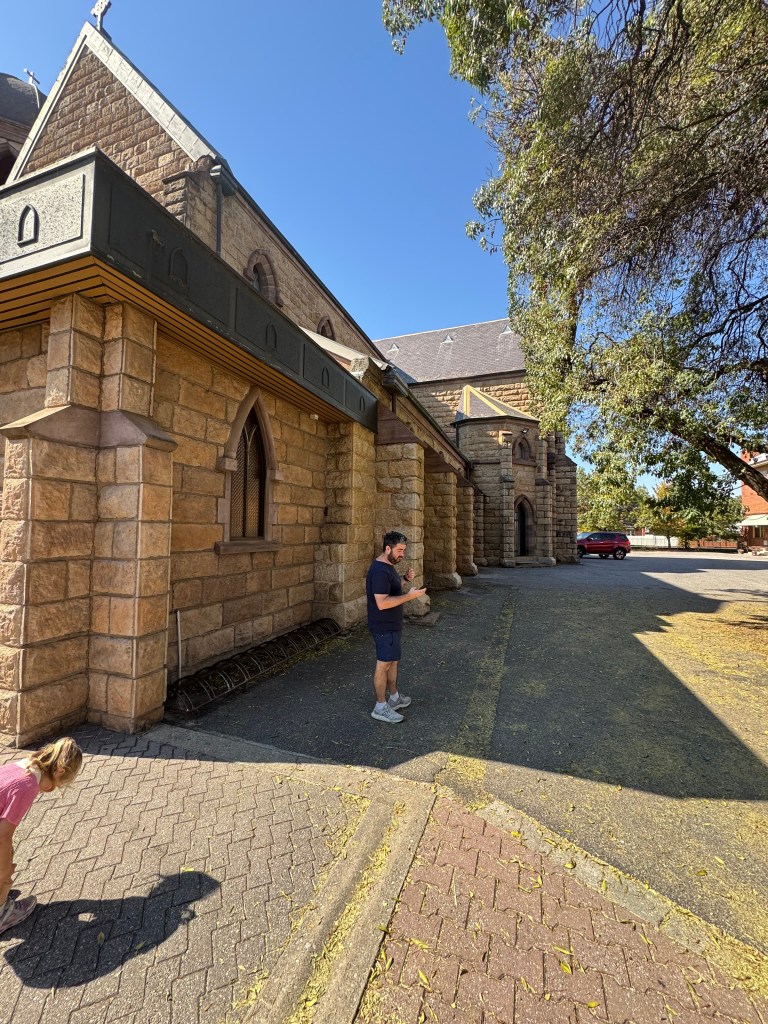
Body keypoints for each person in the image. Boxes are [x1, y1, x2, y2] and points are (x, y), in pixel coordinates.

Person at [0, 736, 83, 936]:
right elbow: (2, 837)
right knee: (4, 868)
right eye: (63, 782)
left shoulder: (20, 766)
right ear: (60, 771)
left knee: (7, 854)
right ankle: (2, 913)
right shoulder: (27, 787)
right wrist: (5, 873)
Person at [366, 531, 427, 724]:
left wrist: (405, 580)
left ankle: (394, 698)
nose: (402, 554)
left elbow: (390, 587)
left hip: (393, 625)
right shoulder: (379, 571)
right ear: (387, 548)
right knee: (383, 664)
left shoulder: (388, 566)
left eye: (404, 550)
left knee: (393, 662)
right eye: (399, 550)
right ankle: (380, 707)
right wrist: (409, 596)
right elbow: (382, 603)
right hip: (383, 626)